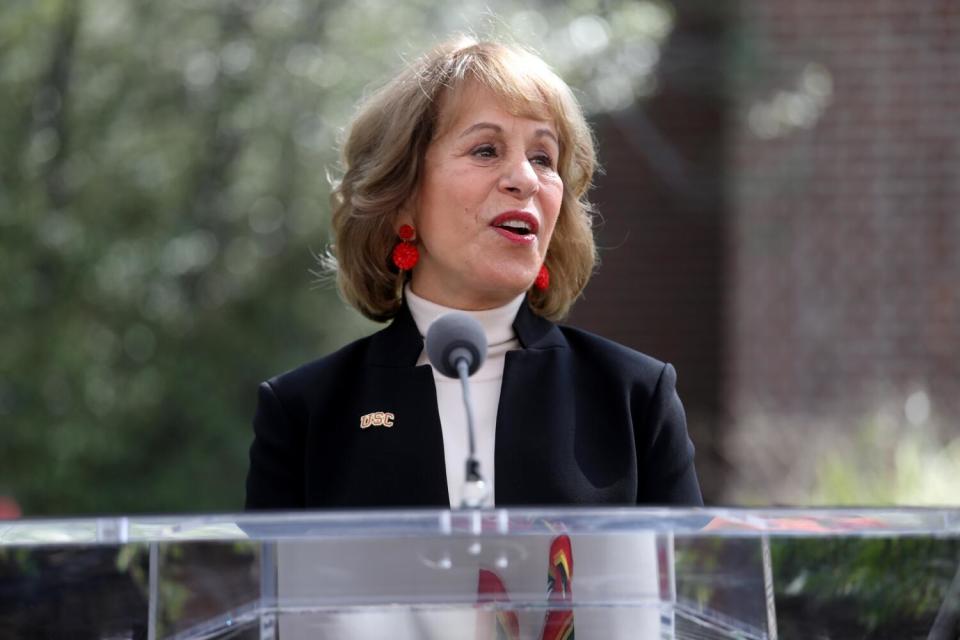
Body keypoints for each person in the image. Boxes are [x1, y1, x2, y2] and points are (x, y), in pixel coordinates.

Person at [245, 36, 702, 510]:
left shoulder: (635, 396)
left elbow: (694, 578)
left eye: (543, 157)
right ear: (402, 199)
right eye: (486, 150)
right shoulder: (304, 411)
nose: (524, 178)